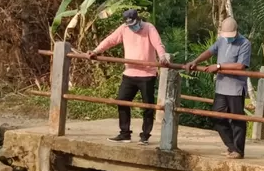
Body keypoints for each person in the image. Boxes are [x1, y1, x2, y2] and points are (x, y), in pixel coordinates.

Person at [88, 9, 170, 145]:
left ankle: (145, 135)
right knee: (122, 101)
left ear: (138, 19)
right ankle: (124, 133)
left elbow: (158, 44)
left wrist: (162, 57)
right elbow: (110, 40)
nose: (132, 27)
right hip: (129, 73)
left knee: (147, 106)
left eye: (133, 24)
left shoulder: (149, 28)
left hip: (147, 74)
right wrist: (96, 51)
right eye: (129, 25)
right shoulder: (124, 29)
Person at [185, 17, 251, 159]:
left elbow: (241, 66)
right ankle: (231, 146)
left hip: (235, 88)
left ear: (236, 32)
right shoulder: (221, 40)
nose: (228, 39)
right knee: (217, 116)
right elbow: (209, 51)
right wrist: (195, 61)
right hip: (221, 87)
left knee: (237, 120)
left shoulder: (245, 43)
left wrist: (219, 66)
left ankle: (238, 150)